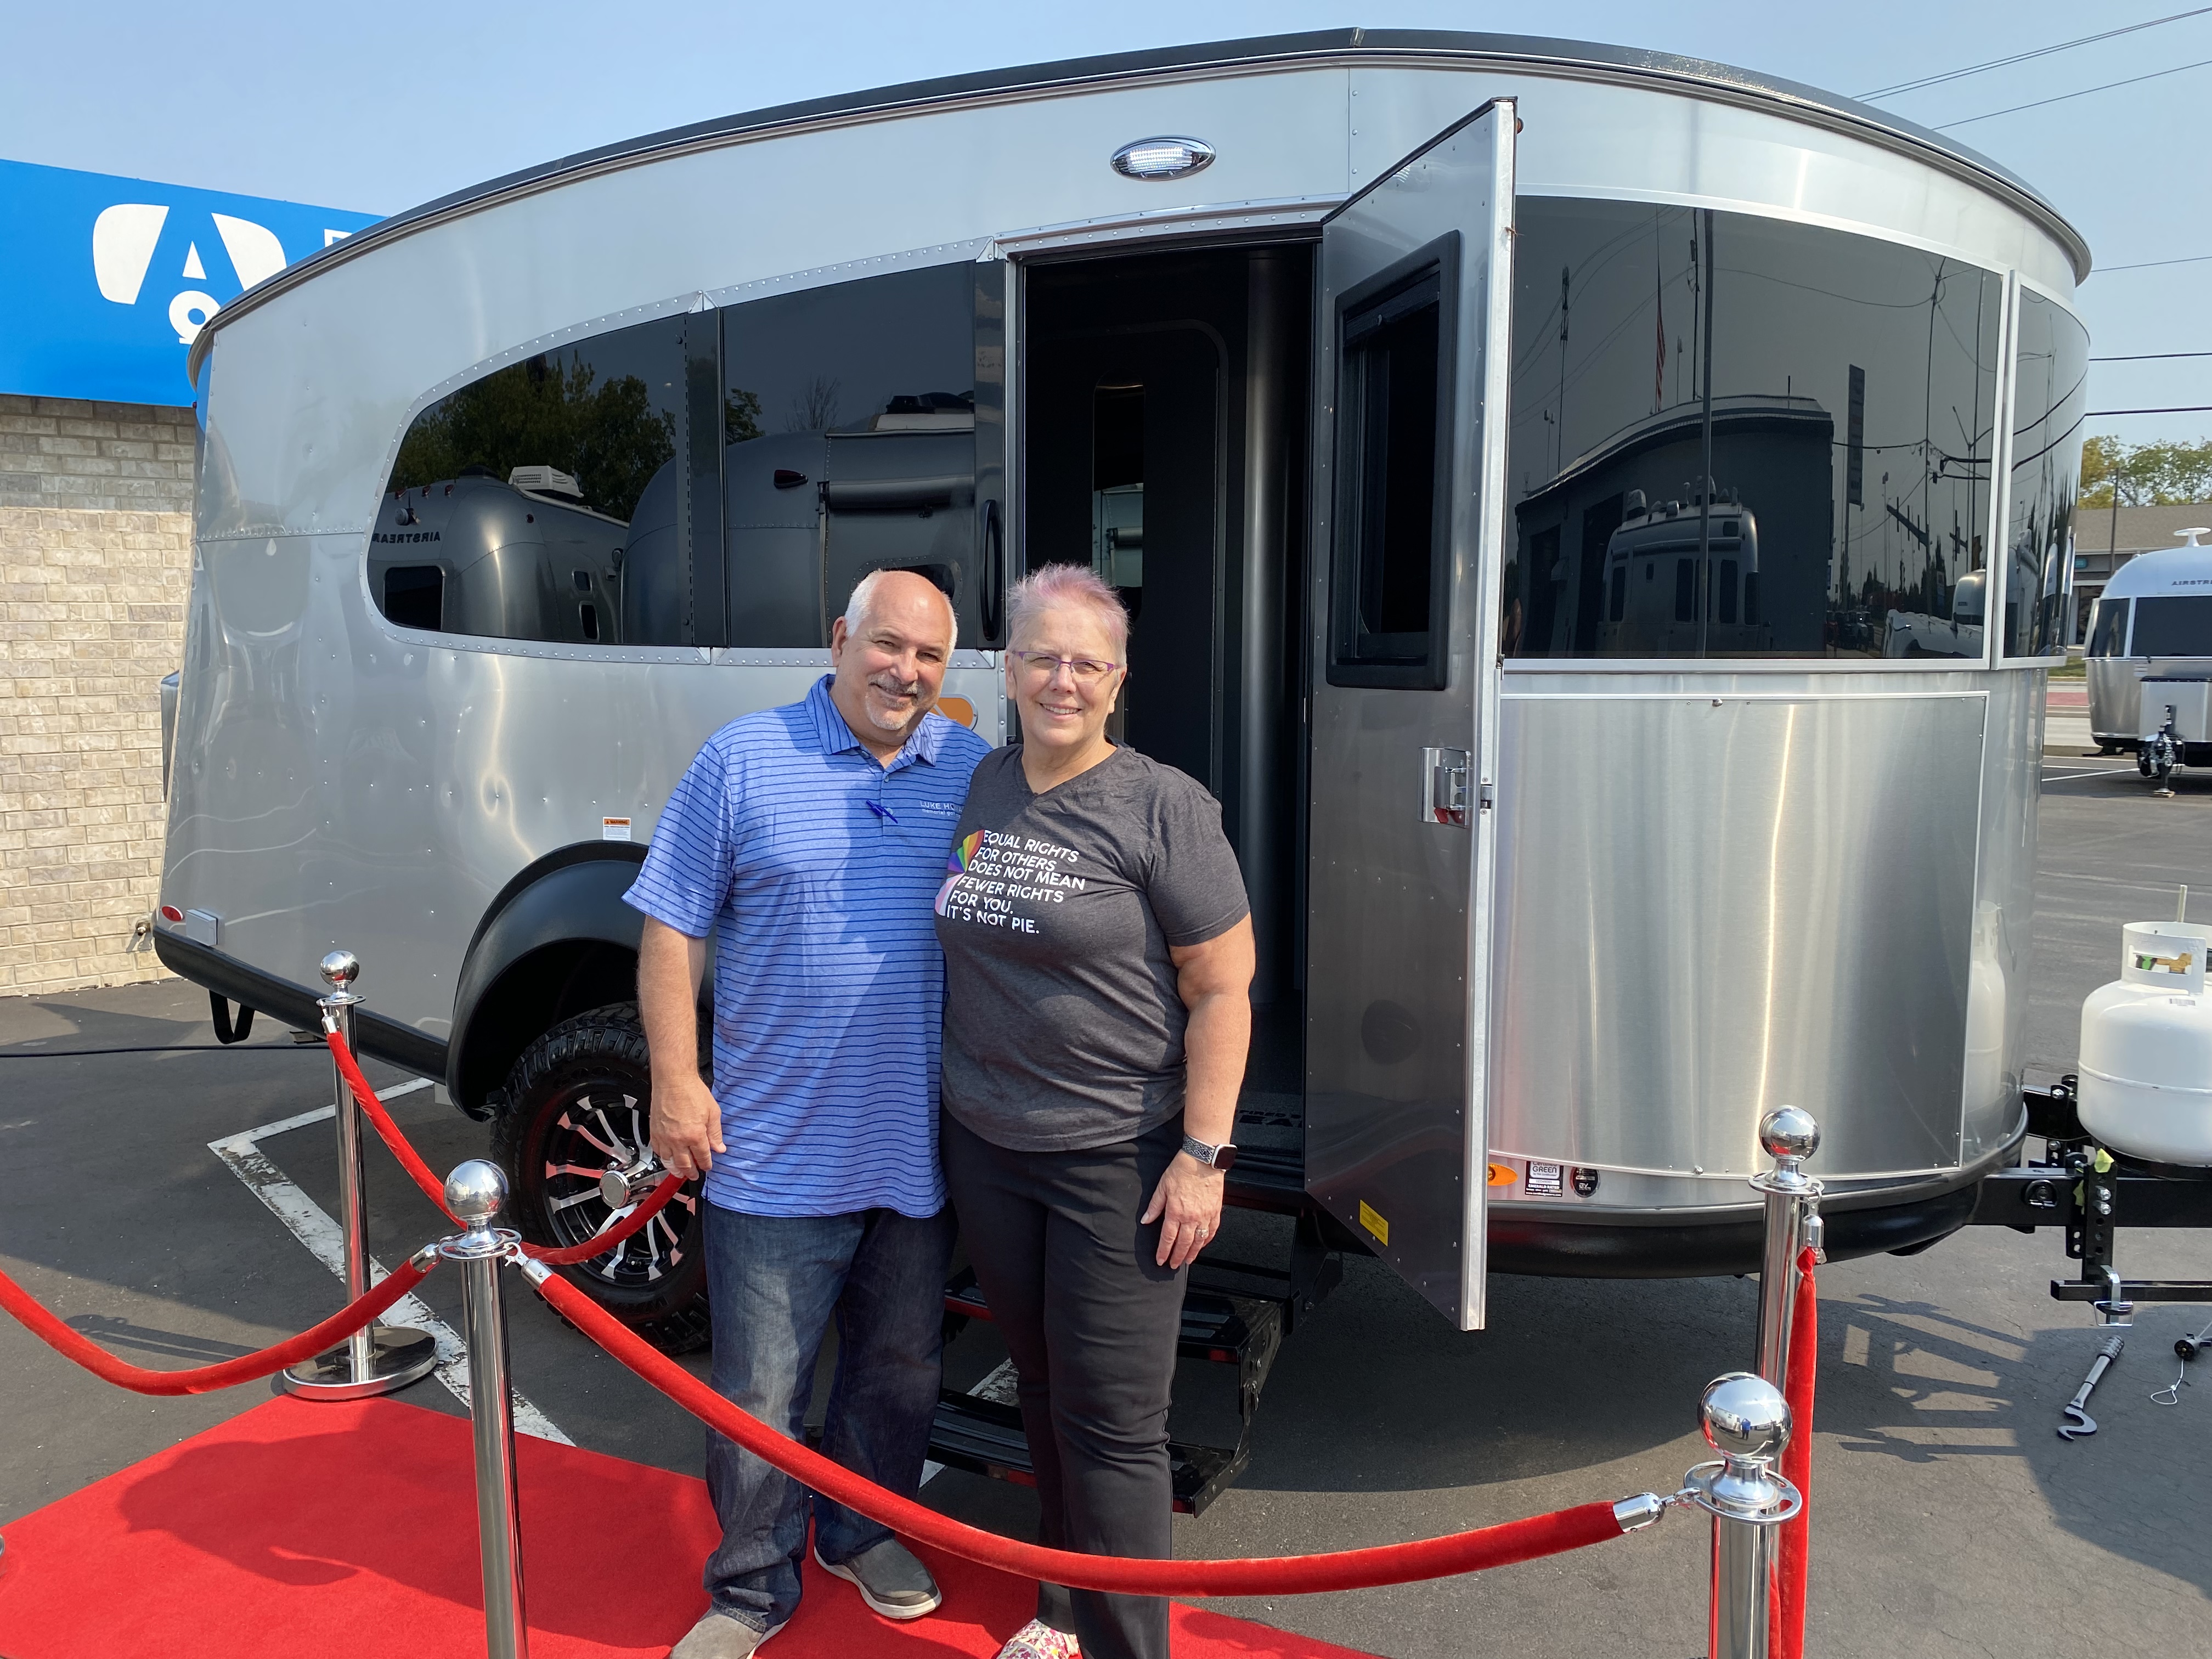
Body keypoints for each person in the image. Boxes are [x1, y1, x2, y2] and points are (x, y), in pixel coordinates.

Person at [625, 568, 991, 1659]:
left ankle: (861, 1533)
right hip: (772, 1151)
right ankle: (748, 1586)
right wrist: (675, 1079)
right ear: (839, 639)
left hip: (916, 1151)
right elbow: (672, 927)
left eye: (929, 655)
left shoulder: (968, 769)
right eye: (888, 645)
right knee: (760, 1392)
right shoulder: (743, 758)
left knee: (898, 1373)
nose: (906, 672)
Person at [934, 563, 1256, 1659]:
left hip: (1117, 1157)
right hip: (988, 1145)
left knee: (1114, 1429)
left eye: (1087, 662)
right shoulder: (983, 782)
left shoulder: (1163, 807)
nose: (1061, 680)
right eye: (1042, 657)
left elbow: (1223, 989)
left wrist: (1203, 1156)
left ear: (1118, 680)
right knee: (1040, 1387)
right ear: (1008, 669)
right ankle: (1065, 1604)